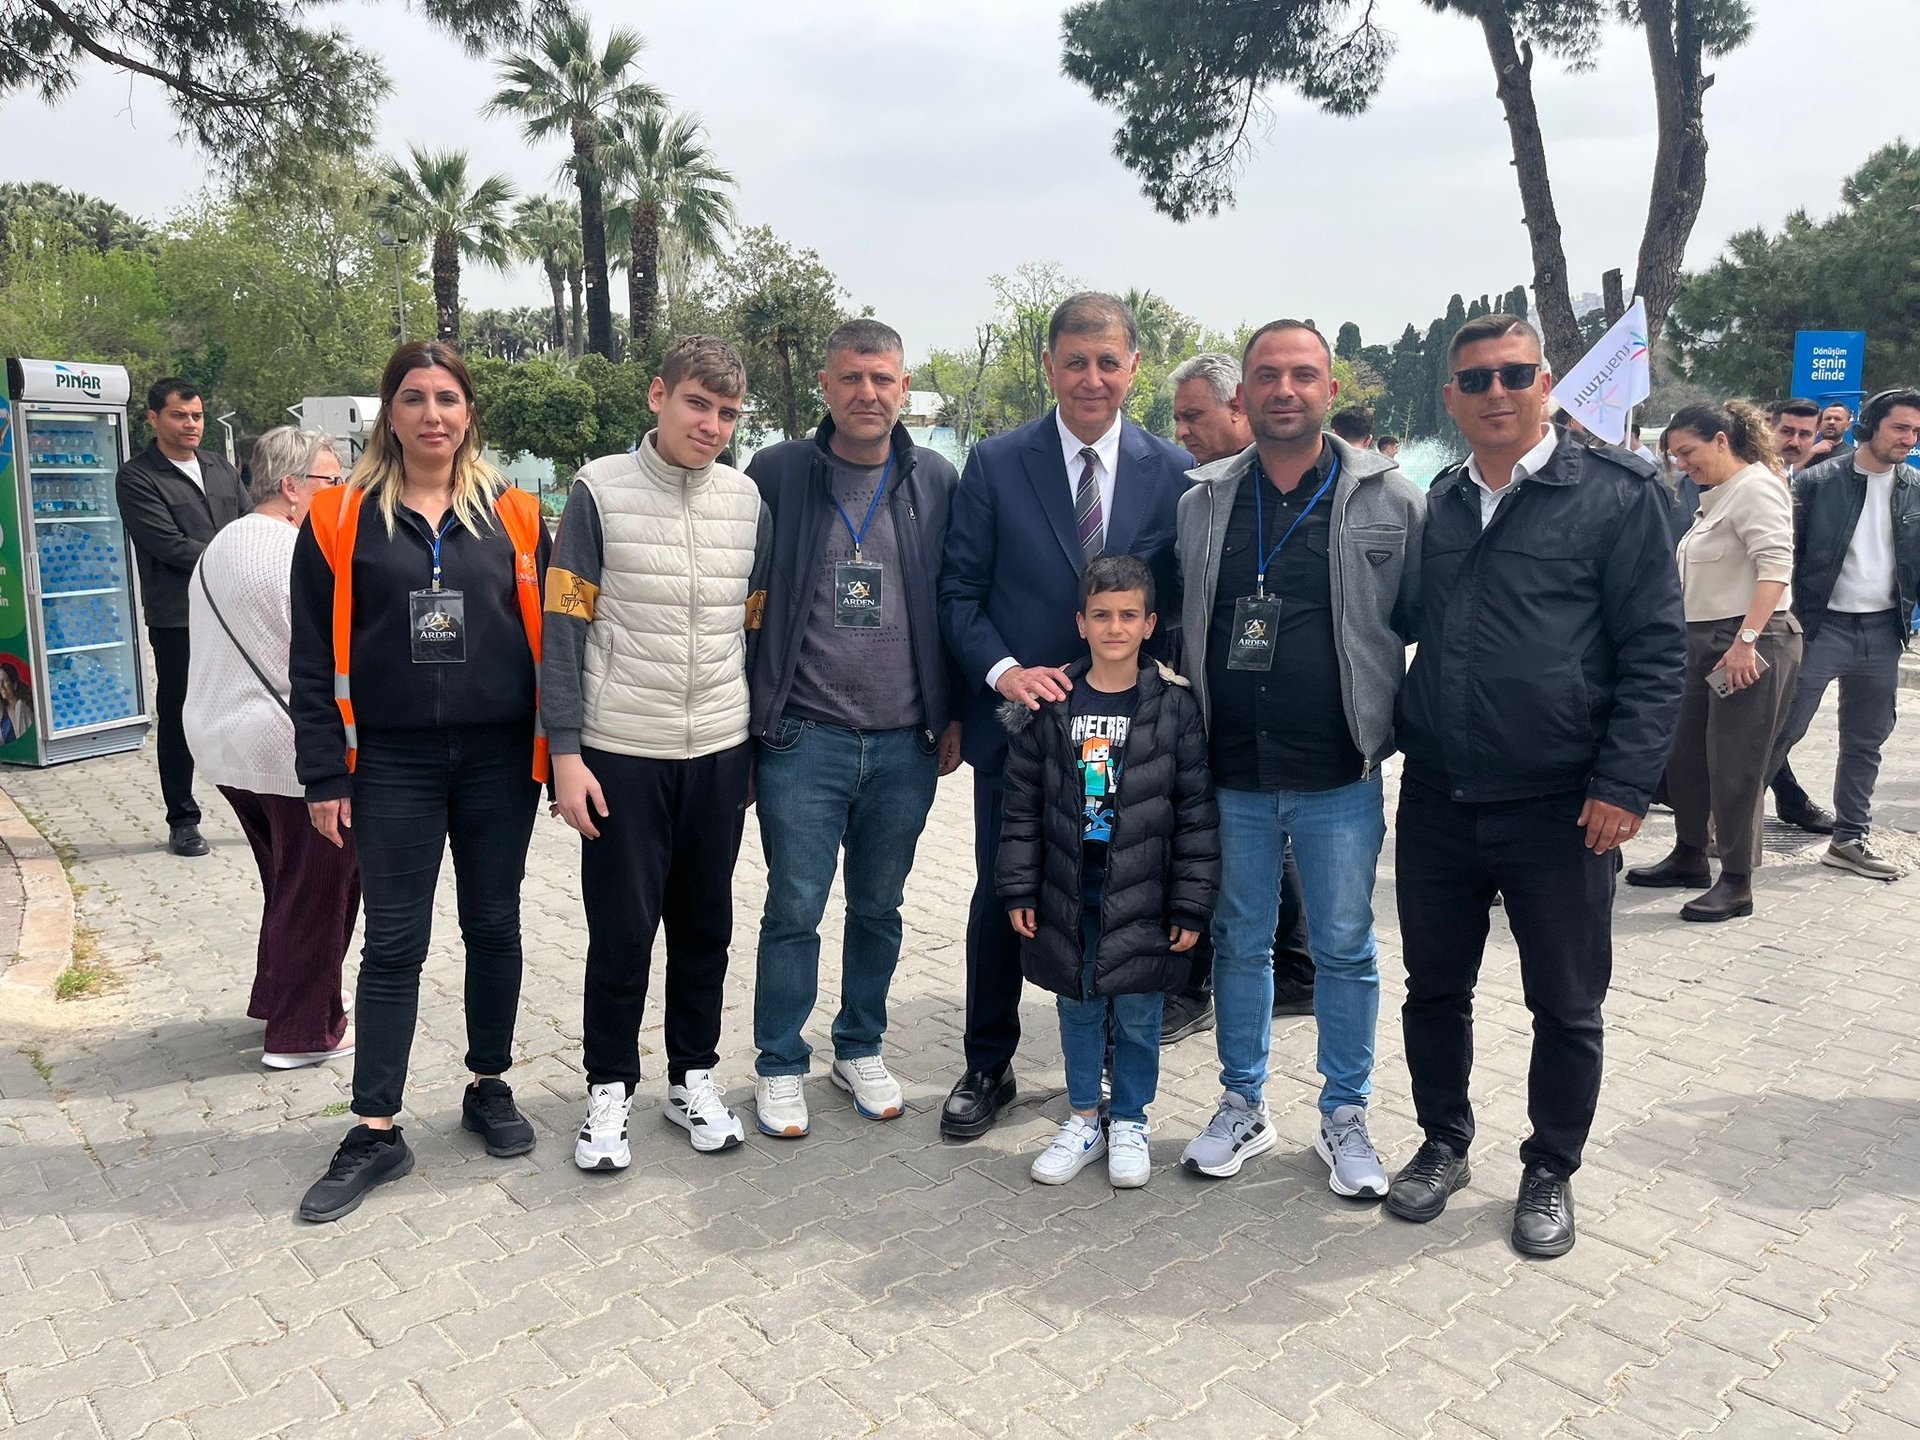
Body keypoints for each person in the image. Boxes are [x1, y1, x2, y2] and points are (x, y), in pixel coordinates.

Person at [1390, 314, 1684, 1257]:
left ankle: (1551, 1167)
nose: (1497, 393)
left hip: (1563, 805)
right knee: (1434, 988)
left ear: (1546, 383)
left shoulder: (1618, 496)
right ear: (1451, 397)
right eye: (1476, 379)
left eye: (1515, 374)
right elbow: (1405, 622)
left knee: (1565, 1002)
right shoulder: (1439, 503)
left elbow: (1656, 652)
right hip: (1439, 794)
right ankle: (1443, 1141)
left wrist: (1625, 783)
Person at [289, 341, 550, 1223]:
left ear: (469, 413)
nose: (432, 414)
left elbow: (555, 639)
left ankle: (489, 1084)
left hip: (498, 757)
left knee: (494, 924)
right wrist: (322, 774)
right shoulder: (338, 516)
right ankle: (375, 1128)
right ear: (389, 413)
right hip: (389, 761)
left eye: (447, 398)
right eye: (413, 398)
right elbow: (309, 656)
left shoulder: (516, 513)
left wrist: (562, 750)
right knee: (395, 941)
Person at [1175, 320, 1424, 1196]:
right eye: (1269, 375)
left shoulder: (1394, 500)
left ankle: (1345, 1113)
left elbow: (1419, 618)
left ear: (1330, 389)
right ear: (1243, 394)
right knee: (1240, 942)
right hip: (1231, 770)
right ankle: (1242, 1103)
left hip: (1339, 771)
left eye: (1304, 375)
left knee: (1346, 948)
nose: (1286, 389)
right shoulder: (1202, 501)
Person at [939, 292, 1192, 1140]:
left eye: (1108, 362)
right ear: (1049, 366)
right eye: (1075, 361)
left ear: (1134, 369)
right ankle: (988, 1062)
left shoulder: (1171, 472)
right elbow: (958, 592)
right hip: (1023, 734)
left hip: (1131, 737)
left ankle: (1113, 1065)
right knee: (1004, 892)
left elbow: (1178, 606)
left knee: (1119, 893)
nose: (1092, 378)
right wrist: (1005, 674)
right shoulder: (996, 463)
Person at [547, 335, 771, 1167]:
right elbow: (564, 626)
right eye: (696, 404)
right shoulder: (598, 491)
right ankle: (608, 1090)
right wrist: (565, 753)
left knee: (705, 930)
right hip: (620, 754)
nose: (711, 425)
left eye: (727, 413)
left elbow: (754, 626)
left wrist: (752, 745)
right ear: (658, 396)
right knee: (622, 935)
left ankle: (691, 1079)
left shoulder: (748, 502)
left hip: (718, 750)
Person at [743, 319, 962, 1138]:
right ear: (826, 386)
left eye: (883, 379)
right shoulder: (777, 473)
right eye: (851, 378)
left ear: (904, 387)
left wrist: (950, 713)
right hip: (805, 736)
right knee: (794, 907)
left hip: (905, 740)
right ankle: (778, 1061)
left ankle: (860, 1046)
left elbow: (955, 599)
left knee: (879, 907)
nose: (867, 394)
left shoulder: (935, 478)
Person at [996, 555, 1218, 1188]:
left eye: (1127, 615)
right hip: (1069, 885)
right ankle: (1083, 1119)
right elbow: (1021, 806)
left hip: (1146, 889)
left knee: (1140, 1011)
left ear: (1150, 624)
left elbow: (1196, 813)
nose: (1114, 628)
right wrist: (1019, 885)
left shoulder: (1174, 706)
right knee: (1078, 1005)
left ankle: (1130, 1120)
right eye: (1101, 615)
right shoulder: (1051, 703)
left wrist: (1191, 903)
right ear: (1080, 622)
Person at [185, 427, 358, 1068]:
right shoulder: (290, 550)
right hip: (284, 748)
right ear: (291, 487)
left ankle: (279, 996)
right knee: (320, 888)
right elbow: (322, 658)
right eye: (331, 481)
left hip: (223, 742)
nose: (341, 492)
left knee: (287, 882)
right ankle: (304, 1030)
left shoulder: (226, 541)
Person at [1164, 352, 1315, 1045]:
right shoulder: (1198, 498)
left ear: (1238, 408)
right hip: (1210, 700)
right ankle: (1291, 971)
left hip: (1285, 720)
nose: (1181, 431)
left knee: (1232, 844)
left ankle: (1208, 982)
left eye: (1193, 415)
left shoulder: (1306, 489)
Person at [1627, 403, 1802, 921]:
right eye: (1675, 457)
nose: (1682, 464)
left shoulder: (1756, 488)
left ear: (1721, 440)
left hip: (1747, 640)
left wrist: (1746, 640)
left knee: (1736, 763)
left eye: (1689, 452)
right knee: (1685, 755)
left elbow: (1775, 569)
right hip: (1702, 640)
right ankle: (1689, 853)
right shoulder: (1717, 497)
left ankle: (1737, 881)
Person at [1766, 388, 1920, 881]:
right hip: (1818, 627)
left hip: (1883, 631)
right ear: (1869, 427)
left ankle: (1849, 839)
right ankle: (1724, 828)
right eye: (1900, 428)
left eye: (1916, 431)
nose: (1909, 439)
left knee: (1866, 741)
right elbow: (1784, 558)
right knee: (1780, 731)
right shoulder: (1816, 483)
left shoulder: (1915, 489)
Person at [116, 378, 251, 856]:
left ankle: (260, 808)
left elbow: (249, 522)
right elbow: (168, 545)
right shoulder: (138, 477)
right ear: (153, 418)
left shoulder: (220, 467)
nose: (191, 424)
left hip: (235, 610)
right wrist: (235, 556)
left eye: (197, 416)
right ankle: (183, 820)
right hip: (179, 617)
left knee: (247, 706)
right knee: (178, 714)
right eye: (179, 415)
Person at [1769, 398, 1823, 477]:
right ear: (1770, 430)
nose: (1794, 443)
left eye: (1804, 434)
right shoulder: (1755, 476)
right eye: (1787, 432)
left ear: (1815, 436)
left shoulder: (1795, 477)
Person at [0, 659, 33, 744]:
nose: (1, 686)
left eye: (5, 681)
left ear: (14, 684)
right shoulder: (4, 709)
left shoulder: (23, 706)